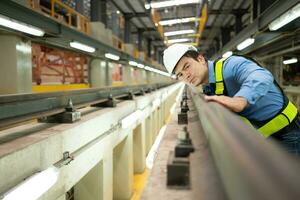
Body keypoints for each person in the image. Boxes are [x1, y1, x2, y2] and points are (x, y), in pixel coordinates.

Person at [163, 43, 300, 156]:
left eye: (187, 66)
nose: (186, 76)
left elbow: (260, 76)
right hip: (262, 140)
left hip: (288, 135)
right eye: (180, 74)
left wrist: (241, 99)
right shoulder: (209, 87)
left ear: (200, 59)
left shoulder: (231, 65)